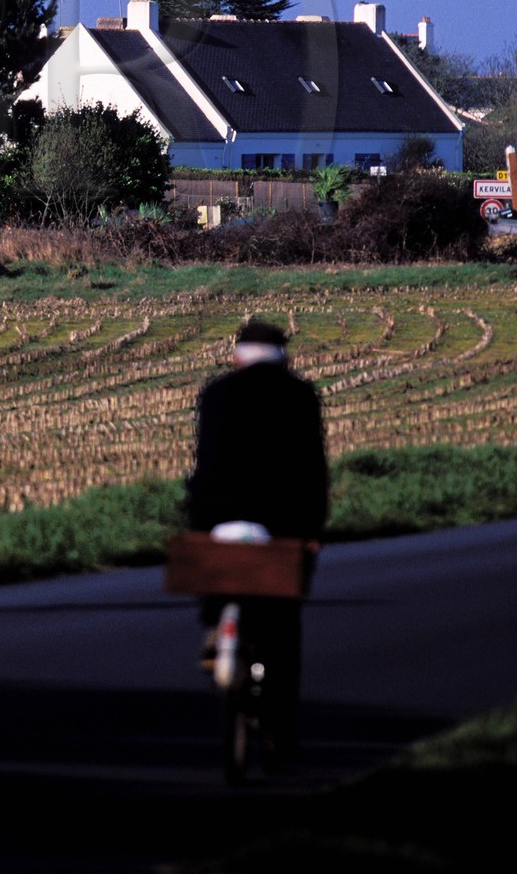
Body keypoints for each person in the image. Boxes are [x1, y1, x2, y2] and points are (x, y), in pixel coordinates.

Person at [185, 318, 329, 761]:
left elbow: (203, 461)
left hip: (217, 515)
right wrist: (312, 531)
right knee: (284, 627)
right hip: (279, 521)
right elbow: (312, 469)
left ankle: (214, 626)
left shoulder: (216, 394)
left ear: (237, 358)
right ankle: (279, 727)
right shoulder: (301, 395)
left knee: (216, 572)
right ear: (284, 358)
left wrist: (196, 519)